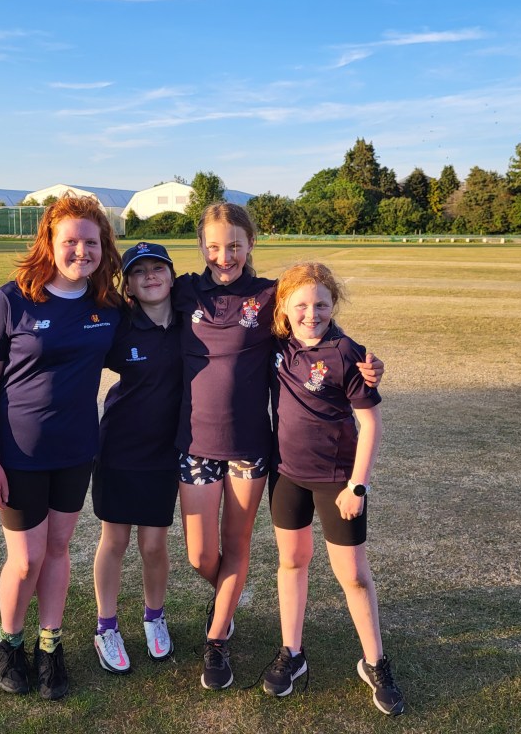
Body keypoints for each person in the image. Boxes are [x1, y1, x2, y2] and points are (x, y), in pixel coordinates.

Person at [172, 203, 383, 690]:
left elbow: (315, 323)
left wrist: (367, 365)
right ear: (201, 246)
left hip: (250, 445)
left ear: (251, 244)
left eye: (235, 246)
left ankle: (217, 638)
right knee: (200, 555)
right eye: (214, 246)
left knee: (237, 546)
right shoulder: (186, 290)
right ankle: (227, 599)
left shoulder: (269, 296)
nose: (224, 256)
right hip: (195, 443)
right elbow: (141, 301)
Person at [0, 195, 122, 701]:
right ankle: (10, 642)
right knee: (25, 560)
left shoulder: (107, 307)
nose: (82, 251)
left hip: (76, 451)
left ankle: (50, 645)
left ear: (103, 247)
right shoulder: (11, 300)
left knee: (58, 550)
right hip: (18, 455)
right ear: (49, 243)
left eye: (91, 242)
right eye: (71, 241)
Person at [260, 262, 404, 715]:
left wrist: (358, 485)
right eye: (301, 305)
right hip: (286, 476)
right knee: (291, 562)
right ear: (284, 307)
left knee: (354, 576)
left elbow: (370, 422)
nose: (311, 314)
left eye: (321, 304)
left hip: (339, 482)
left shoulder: (347, 353)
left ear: (333, 304)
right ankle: (292, 653)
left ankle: (375, 662)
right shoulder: (275, 343)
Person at [90, 242, 182, 674]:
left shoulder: (191, 320)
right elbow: (72, 350)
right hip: (119, 448)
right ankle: (105, 627)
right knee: (115, 540)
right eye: (138, 271)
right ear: (127, 285)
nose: (150, 276)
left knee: (153, 544)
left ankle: (154, 617)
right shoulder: (119, 325)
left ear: (172, 276)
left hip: (165, 452)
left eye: (157, 268)